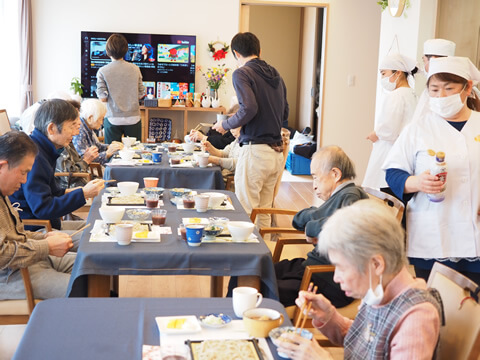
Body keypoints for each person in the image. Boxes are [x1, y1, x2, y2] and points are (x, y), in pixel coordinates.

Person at [277, 200, 443, 359]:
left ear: (376, 264)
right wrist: (329, 316)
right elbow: (366, 339)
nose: (336, 277)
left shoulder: (415, 318)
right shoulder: (378, 288)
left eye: (342, 267)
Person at [384, 56, 480, 284]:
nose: (441, 97)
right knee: (437, 308)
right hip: (434, 234)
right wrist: (417, 183)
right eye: (434, 89)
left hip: (476, 232)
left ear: (467, 88)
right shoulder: (417, 129)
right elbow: (393, 173)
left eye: (449, 89)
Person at [275, 146, 368, 308]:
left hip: (328, 280)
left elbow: (345, 227)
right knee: (252, 272)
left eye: (316, 178)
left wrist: (311, 226)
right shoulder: (339, 197)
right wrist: (315, 221)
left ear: (335, 174)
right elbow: (299, 220)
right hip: (313, 268)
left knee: (257, 287)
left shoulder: (350, 196)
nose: (314, 186)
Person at [212, 32, 288, 229]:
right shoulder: (276, 74)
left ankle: (245, 257)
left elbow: (249, 108)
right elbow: (285, 112)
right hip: (276, 153)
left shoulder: (242, 73)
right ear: (259, 51)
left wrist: (225, 125)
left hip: (255, 152)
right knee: (264, 211)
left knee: (245, 211)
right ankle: (265, 255)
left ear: (236, 54)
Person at [9, 99, 105, 247]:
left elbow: (54, 192)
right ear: (52, 128)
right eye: (72, 126)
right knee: (101, 241)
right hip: (39, 230)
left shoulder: (43, 148)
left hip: (51, 223)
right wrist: (83, 194)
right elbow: (43, 208)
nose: (76, 132)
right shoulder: (34, 156)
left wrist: (82, 191)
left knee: (103, 230)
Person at [0, 131, 75, 300]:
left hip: (28, 261)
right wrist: (46, 246)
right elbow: (2, 254)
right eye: (23, 172)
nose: (26, 180)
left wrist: (44, 237)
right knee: (81, 288)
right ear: (2, 166)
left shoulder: (3, 192)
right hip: (10, 276)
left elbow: (16, 234)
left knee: (88, 267)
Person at [362, 53, 418, 189]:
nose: (382, 78)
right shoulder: (413, 94)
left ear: (398, 73)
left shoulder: (395, 96)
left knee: (378, 188)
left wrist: (376, 134)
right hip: (405, 150)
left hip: (389, 150)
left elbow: (388, 129)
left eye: (383, 73)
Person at [96, 33, 144, 144]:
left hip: (113, 118)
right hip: (133, 118)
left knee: (112, 153)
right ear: (125, 50)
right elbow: (141, 93)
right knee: (135, 154)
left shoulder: (103, 71)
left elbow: (102, 98)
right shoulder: (135, 69)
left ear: (108, 50)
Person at [55, 100, 99, 189]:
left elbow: (75, 163)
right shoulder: (60, 141)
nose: (80, 123)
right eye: (74, 121)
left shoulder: (68, 139)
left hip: (82, 181)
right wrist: (86, 160)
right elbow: (68, 176)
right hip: (73, 188)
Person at [411, 38, 456, 124]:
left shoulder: (434, 90)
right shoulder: (460, 86)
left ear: (433, 60)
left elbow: (419, 123)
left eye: (424, 61)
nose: (423, 66)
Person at [72, 98, 124, 165]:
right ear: (90, 118)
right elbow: (84, 159)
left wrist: (109, 147)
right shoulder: (79, 131)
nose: (102, 123)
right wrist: (107, 154)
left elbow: (97, 146)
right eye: (101, 119)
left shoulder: (87, 127)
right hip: (89, 170)